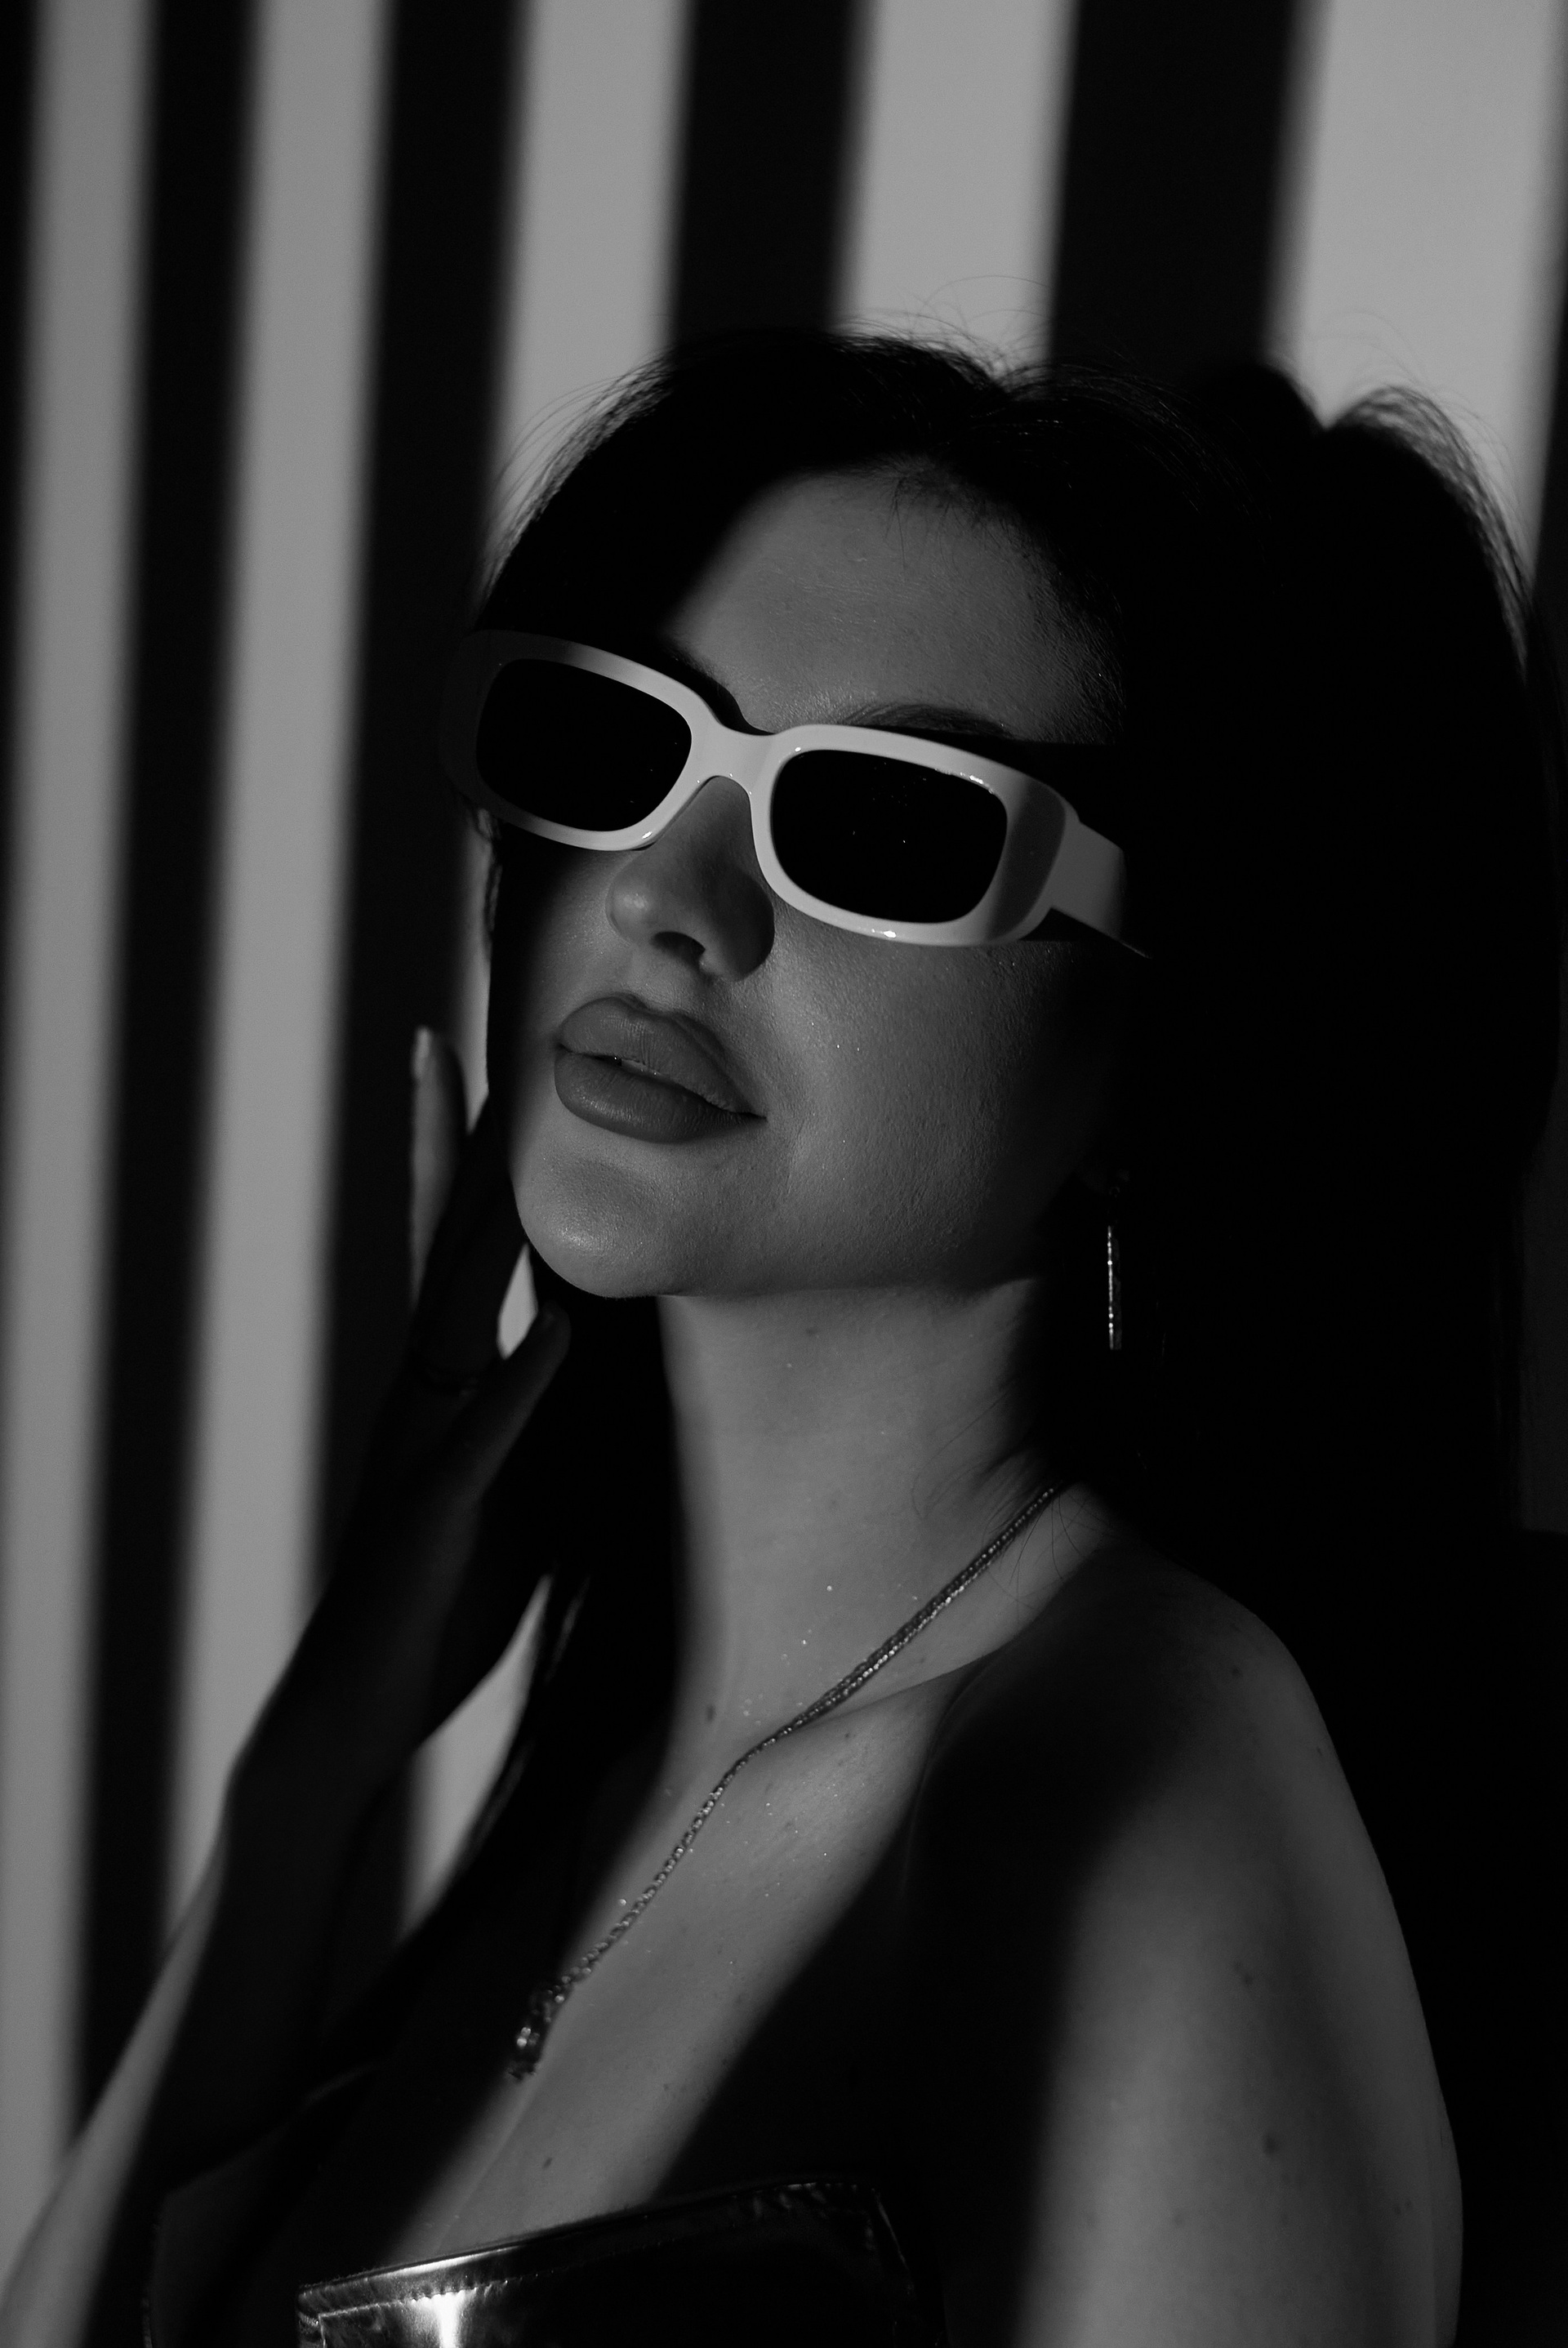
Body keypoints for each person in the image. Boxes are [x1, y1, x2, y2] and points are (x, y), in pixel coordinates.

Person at [2, 332, 1562, 2346]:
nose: (672, 894)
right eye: (619, 747)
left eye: (886, 828)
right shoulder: (616, 1779)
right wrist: (310, 1772)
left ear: (1151, 1052)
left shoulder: (1130, 1777)